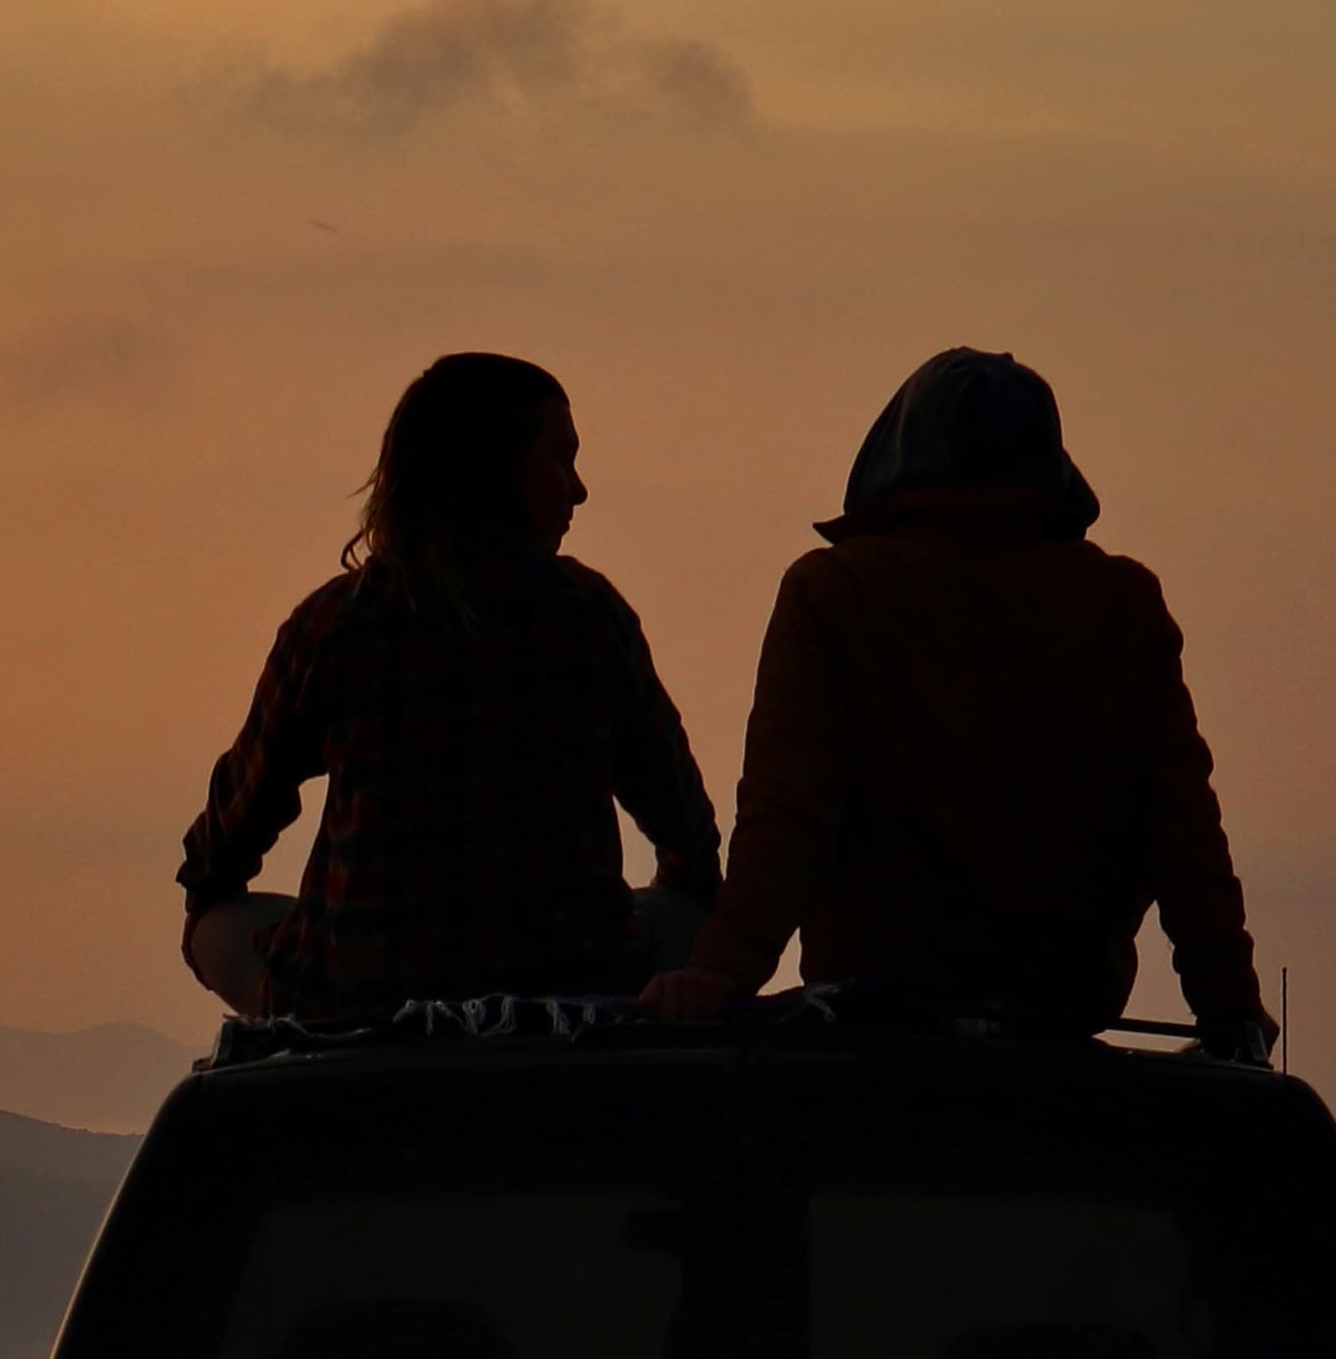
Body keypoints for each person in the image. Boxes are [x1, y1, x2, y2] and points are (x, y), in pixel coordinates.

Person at [641, 346, 1273, 1057]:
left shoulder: (835, 591)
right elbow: (1185, 836)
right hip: (1059, 1024)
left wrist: (717, 974)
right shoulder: (1120, 603)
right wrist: (1231, 1013)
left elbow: (787, 819)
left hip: (876, 1030)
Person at [179, 354, 722, 1020]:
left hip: (357, 1000)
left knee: (217, 923)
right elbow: (685, 828)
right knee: (690, 920)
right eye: (561, 462)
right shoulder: (588, 614)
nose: (578, 491)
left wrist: (227, 897)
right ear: (495, 472)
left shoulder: (332, 626)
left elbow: (235, 824)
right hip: (575, 988)